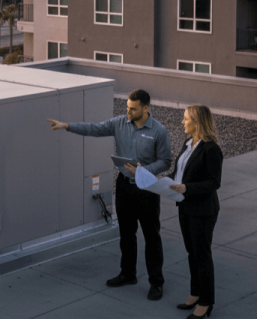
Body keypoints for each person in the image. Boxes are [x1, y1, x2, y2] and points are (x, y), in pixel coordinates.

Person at [48, 89, 171, 301]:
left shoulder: (159, 131)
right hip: (124, 187)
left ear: (145, 108)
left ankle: (156, 283)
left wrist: (144, 170)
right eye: (127, 108)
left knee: (151, 237)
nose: (128, 112)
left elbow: (165, 161)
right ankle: (128, 274)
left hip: (147, 189)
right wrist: (67, 126)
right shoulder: (119, 123)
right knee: (126, 233)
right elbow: (95, 129)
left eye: (133, 109)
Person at [168, 105, 223, 319]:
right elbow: (179, 172)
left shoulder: (211, 149)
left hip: (203, 210)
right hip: (185, 206)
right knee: (192, 253)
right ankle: (195, 293)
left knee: (202, 255)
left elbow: (213, 182)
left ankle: (206, 302)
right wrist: (167, 182)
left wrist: (187, 188)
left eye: (186, 119)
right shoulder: (187, 143)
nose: (182, 122)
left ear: (197, 122)